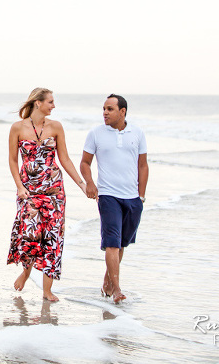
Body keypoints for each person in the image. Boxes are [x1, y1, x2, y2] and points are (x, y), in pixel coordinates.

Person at [7, 87, 87, 302]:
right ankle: (25, 273)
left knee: (52, 237)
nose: (53, 105)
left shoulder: (56, 127)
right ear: (37, 103)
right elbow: (13, 161)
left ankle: (47, 290)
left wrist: (82, 183)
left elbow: (65, 159)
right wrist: (19, 186)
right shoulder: (17, 128)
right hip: (29, 190)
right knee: (31, 234)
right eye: (50, 101)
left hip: (54, 191)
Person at [80, 94, 149, 304]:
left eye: (110, 109)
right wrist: (90, 183)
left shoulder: (137, 133)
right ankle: (117, 289)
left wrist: (141, 196)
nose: (105, 113)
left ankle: (107, 281)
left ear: (123, 112)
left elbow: (143, 165)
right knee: (111, 242)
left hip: (132, 198)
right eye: (103, 109)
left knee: (121, 245)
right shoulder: (96, 134)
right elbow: (85, 163)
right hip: (108, 195)